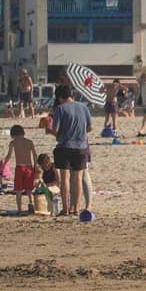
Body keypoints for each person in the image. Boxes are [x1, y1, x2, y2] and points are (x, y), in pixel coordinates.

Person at [47, 84, 93, 216]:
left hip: (64, 146)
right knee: (78, 178)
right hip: (81, 147)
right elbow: (90, 128)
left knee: (64, 177)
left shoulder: (60, 109)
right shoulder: (83, 107)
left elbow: (55, 130)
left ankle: (66, 209)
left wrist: (49, 131)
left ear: (60, 97)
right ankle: (76, 208)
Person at [5, 124, 37, 214]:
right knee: (29, 189)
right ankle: (31, 204)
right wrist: (35, 166)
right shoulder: (29, 142)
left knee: (18, 190)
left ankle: (19, 209)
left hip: (19, 167)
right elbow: (35, 155)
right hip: (29, 167)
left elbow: (9, 156)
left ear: (13, 134)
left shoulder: (13, 142)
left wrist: (3, 165)